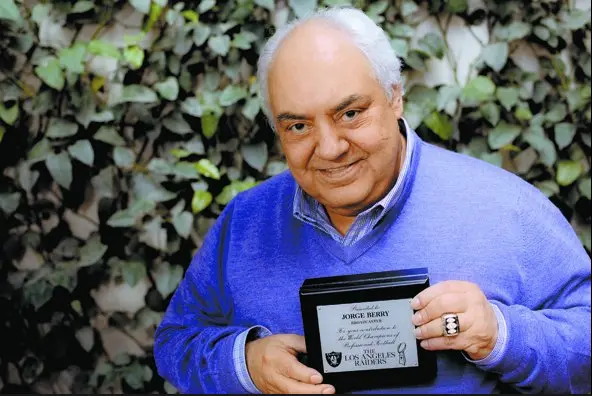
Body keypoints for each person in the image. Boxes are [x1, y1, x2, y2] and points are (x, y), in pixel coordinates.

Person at [153, 6, 591, 394]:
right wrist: (243, 364)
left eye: (349, 113)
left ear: (395, 96)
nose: (329, 148)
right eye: (298, 127)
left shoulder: (507, 209)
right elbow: (176, 341)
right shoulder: (245, 222)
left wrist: (499, 335)